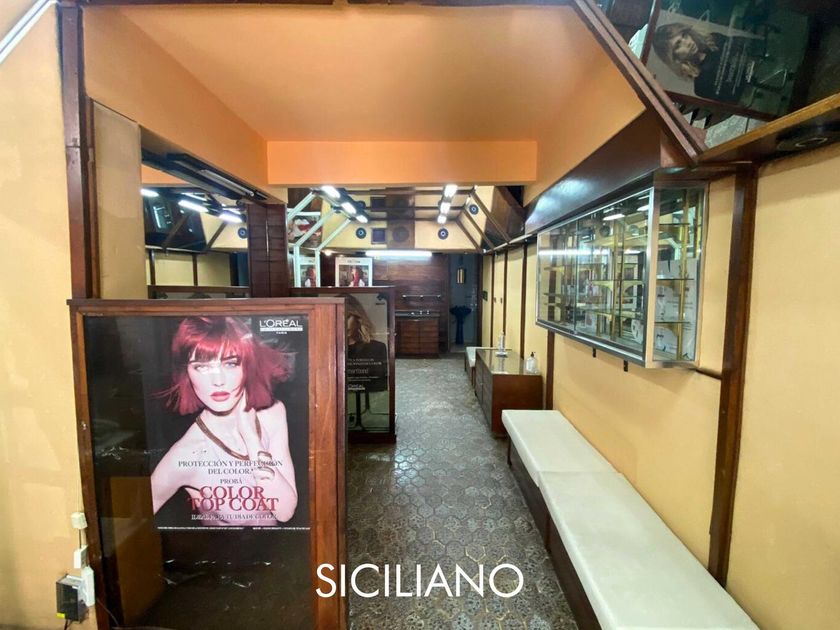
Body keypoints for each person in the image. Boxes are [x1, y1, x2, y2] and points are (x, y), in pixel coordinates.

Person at [150, 316, 298, 527]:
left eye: (230, 364)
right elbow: (131, 523)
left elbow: (285, 511)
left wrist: (251, 439)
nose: (218, 380)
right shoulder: (186, 454)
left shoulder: (272, 413)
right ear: (187, 374)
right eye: (201, 367)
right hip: (225, 548)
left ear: (247, 366)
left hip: (279, 545)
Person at [652, 21, 754, 106]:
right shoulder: (701, 85)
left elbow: (751, 48)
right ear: (675, 57)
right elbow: (737, 101)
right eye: (678, 45)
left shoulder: (716, 41)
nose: (687, 42)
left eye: (684, 35)